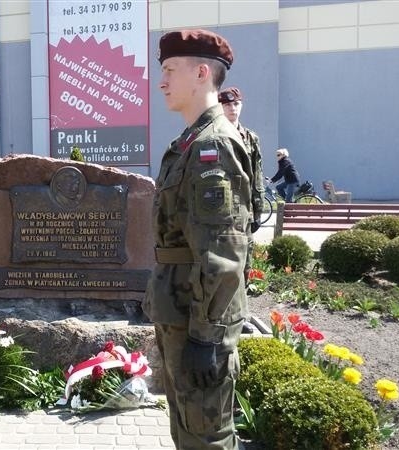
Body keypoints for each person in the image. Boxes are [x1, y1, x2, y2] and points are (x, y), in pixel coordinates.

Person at [144, 29, 254, 450]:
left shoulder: (214, 147)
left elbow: (224, 252)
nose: (162, 80)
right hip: (180, 310)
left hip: (198, 320)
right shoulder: (189, 142)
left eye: (170, 70)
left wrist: (205, 337)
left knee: (206, 438)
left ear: (201, 73)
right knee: (187, 431)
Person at [219, 87, 264, 329]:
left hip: (244, 212)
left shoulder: (250, 138)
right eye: (227, 105)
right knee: (221, 264)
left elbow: (256, 175)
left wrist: (258, 208)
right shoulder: (213, 136)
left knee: (244, 264)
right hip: (220, 212)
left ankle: (240, 315)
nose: (232, 109)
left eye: (235, 104)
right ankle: (222, 315)